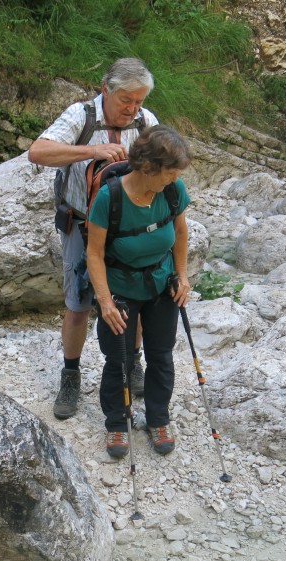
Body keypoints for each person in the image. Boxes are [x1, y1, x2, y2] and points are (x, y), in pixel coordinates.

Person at [28, 58, 159, 420]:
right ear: (107, 90)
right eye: (126, 101)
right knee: (78, 303)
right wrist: (92, 150)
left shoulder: (147, 122)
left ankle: (133, 364)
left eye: (139, 101)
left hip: (129, 228)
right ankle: (70, 374)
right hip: (81, 224)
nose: (133, 109)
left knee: (135, 298)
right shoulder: (81, 117)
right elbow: (37, 151)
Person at [85, 124, 192, 459]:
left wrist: (182, 276)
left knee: (161, 355)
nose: (174, 179)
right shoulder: (110, 198)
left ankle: (158, 418)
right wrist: (105, 302)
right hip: (120, 289)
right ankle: (117, 423)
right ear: (149, 168)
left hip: (161, 286)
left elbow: (181, 232)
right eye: (170, 172)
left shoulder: (173, 192)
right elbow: (94, 253)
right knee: (119, 358)